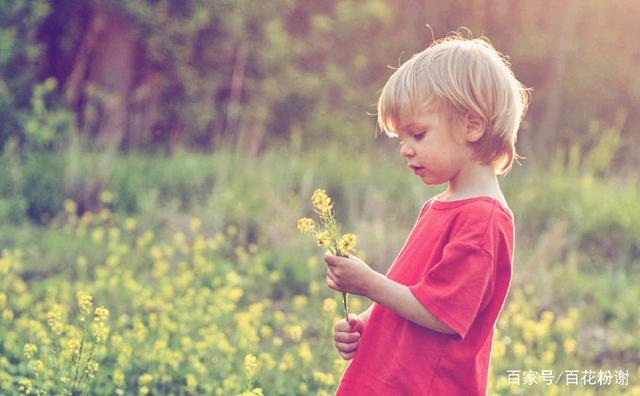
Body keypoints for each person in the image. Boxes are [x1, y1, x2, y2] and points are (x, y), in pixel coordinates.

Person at [323, 34, 530, 395]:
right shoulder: (439, 206)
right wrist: (366, 324)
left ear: (472, 126)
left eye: (417, 135)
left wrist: (367, 283)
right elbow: (414, 291)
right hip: (388, 379)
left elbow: (442, 314)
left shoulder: (483, 219)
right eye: (401, 139)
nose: (405, 150)